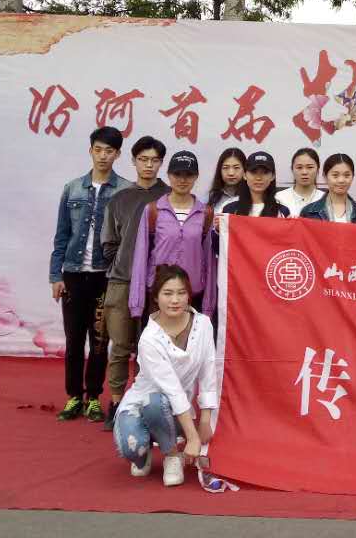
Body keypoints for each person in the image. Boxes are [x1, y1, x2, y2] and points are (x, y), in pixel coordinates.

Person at [49, 126, 131, 423]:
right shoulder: (72, 189)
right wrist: (55, 275)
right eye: (98, 150)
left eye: (109, 151)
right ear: (90, 151)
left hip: (104, 276)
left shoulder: (125, 191)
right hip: (73, 274)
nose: (103, 156)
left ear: (117, 154)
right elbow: (61, 235)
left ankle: (94, 397)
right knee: (73, 340)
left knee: (99, 341)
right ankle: (74, 396)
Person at [113, 265, 218, 488]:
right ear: (156, 297)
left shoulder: (204, 325)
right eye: (168, 293)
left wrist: (205, 421)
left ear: (189, 295)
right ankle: (154, 450)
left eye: (181, 293)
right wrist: (193, 437)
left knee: (158, 404)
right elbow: (172, 389)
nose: (175, 300)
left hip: (174, 412)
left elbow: (209, 372)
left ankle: (172, 456)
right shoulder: (149, 338)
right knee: (133, 448)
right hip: (142, 404)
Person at [100, 134, 168, 431]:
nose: (148, 165)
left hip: (158, 286)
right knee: (119, 346)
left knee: (151, 349)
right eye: (143, 159)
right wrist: (126, 262)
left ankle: (144, 404)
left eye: (154, 160)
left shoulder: (169, 196)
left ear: (161, 163)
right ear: (133, 161)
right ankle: (116, 403)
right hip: (122, 281)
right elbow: (109, 243)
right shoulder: (120, 198)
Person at [128, 151, 218, 322]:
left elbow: (209, 262)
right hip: (158, 296)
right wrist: (137, 304)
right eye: (177, 174)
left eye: (188, 175)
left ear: (196, 177)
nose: (182, 180)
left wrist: (208, 307)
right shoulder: (153, 210)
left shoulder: (206, 213)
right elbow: (140, 257)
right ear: (168, 175)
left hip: (192, 296)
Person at [301, 153, 356, 224]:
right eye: (335, 175)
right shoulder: (308, 212)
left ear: (353, 176)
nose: (341, 180)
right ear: (325, 176)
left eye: (347, 175)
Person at [223, 151, 291, 218]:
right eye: (253, 172)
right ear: (244, 175)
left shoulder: (283, 211)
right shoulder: (229, 209)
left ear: (273, 176)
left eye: (264, 172)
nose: (258, 178)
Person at [275, 147, 324, 216]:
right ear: (292, 169)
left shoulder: (325, 199)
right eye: (299, 167)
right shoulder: (279, 198)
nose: (304, 172)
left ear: (318, 169)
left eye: (310, 167)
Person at [206, 147, 246, 213]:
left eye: (236, 168)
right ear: (219, 170)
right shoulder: (210, 198)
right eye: (226, 168)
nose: (231, 173)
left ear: (245, 169)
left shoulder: (252, 196)